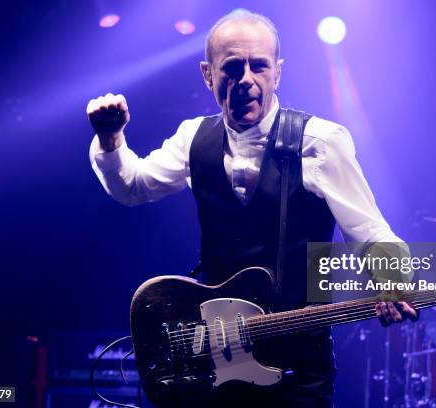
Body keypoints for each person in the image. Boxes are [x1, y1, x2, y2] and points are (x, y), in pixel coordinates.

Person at [87, 9, 416, 407]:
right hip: (213, 366)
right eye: (232, 68)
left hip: (296, 368)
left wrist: (392, 280)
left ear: (277, 72)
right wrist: (110, 139)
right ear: (208, 75)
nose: (246, 80)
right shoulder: (193, 138)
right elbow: (133, 187)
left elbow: (372, 234)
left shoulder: (321, 141)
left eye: (259, 66)